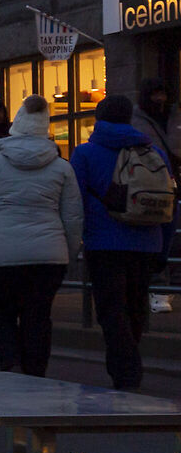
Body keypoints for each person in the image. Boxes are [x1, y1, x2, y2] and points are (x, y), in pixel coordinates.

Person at [0, 94, 82, 376]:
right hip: (49, 256)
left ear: (17, 126)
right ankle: (36, 373)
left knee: (0, 313)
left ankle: (10, 361)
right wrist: (69, 252)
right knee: (38, 317)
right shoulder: (62, 167)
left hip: (2, 255)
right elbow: (72, 217)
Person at [70, 94, 177, 390]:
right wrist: (163, 247)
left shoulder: (85, 153)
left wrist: (73, 242)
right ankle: (128, 363)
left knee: (110, 308)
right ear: (128, 118)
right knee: (135, 306)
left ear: (98, 118)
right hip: (147, 242)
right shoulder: (154, 151)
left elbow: (74, 203)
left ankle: (126, 369)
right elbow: (169, 202)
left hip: (104, 243)